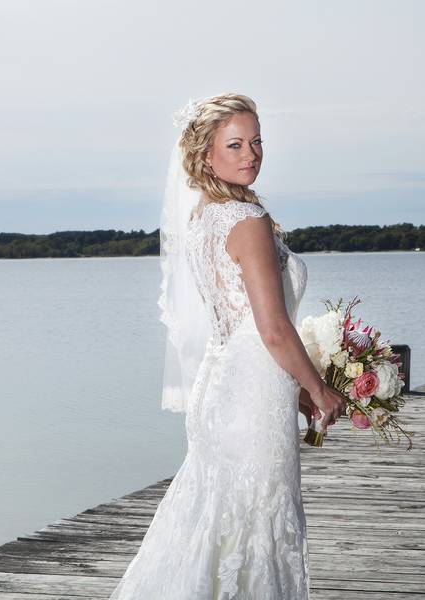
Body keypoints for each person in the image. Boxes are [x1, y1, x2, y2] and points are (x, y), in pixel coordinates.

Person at [107, 93, 347, 600]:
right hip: (252, 399)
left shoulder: (204, 219)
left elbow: (240, 323)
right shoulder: (247, 221)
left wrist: (297, 386)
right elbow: (273, 328)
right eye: (235, 144)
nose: (251, 154)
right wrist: (319, 389)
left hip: (221, 388)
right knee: (254, 526)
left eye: (257, 142)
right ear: (206, 154)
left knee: (213, 525)